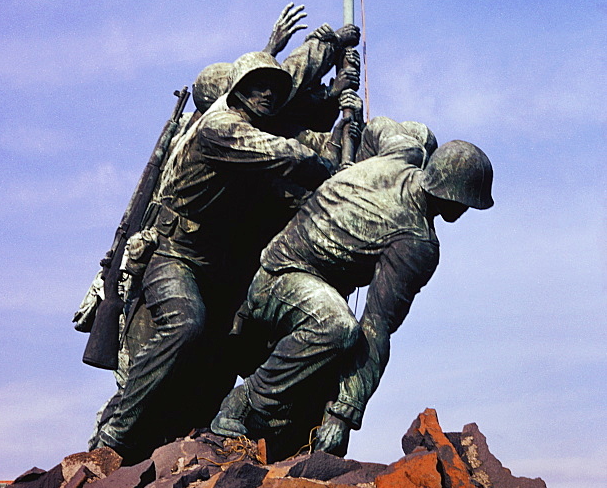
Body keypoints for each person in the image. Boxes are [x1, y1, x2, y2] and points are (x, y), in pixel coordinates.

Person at [91, 50, 352, 459]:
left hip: (220, 270)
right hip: (175, 256)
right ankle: (115, 433)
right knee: (184, 322)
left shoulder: (254, 128)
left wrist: (342, 126)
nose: (266, 93)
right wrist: (323, 167)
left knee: (229, 351)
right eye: (257, 85)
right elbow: (282, 154)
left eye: (274, 88)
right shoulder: (221, 128)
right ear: (237, 89)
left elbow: (286, 191)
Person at [210, 138, 494, 458]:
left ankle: (289, 441)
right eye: (468, 202)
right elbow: (376, 327)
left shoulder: (402, 151)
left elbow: (377, 130)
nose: (466, 209)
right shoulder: (416, 243)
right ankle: (245, 404)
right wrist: (345, 413)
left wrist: (356, 161)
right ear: (453, 197)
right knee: (337, 328)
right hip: (281, 279)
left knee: (331, 353)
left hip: (298, 283)